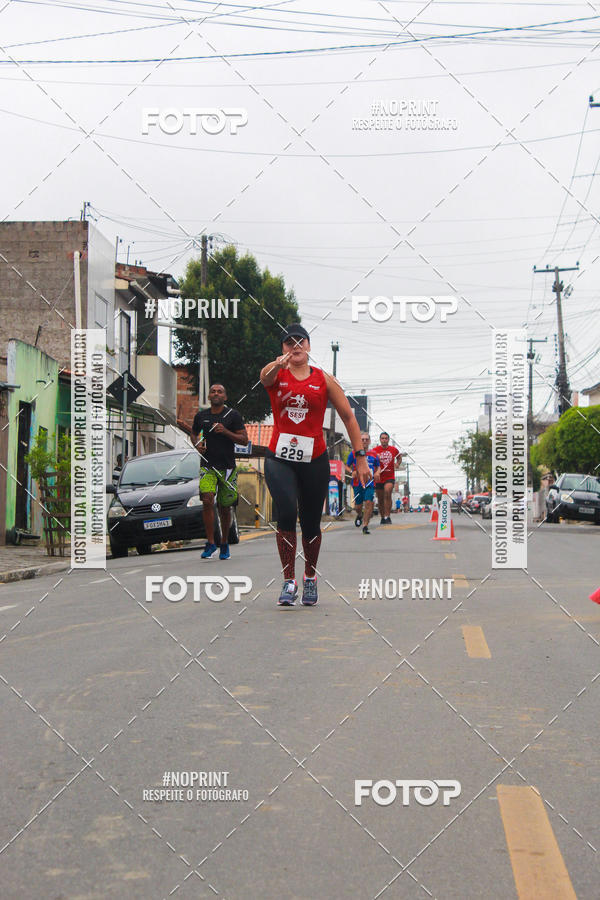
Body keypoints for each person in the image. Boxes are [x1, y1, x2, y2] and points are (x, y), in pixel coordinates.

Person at [260, 324, 370, 607]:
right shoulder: (277, 374)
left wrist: (359, 457)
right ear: (283, 348)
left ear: (309, 346)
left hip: (314, 458)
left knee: (310, 522)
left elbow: (348, 417)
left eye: (300, 341)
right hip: (279, 457)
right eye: (289, 343)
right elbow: (264, 377)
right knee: (285, 511)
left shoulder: (324, 380)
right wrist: (276, 364)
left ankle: (309, 576)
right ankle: (288, 581)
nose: (295, 346)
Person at [191, 383, 248, 560]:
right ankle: (210, 543)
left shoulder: (233, 416)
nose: (216, 394)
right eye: (213, 391)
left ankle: (224, 542)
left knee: (225, 507)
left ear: (225, 397)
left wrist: (225, 432)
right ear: (209, 396)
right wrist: (197, 444)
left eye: (220, 392)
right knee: (207, 500)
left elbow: (244, 440)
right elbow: (194, 433)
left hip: (227, 467)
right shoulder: (201, 416)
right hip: (207, 466)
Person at [346, 433, 381, 536]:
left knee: (369, 503)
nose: (364, 441)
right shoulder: (353, 453)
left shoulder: (374, 454)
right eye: (362, 439)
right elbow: (346, 466)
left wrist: (377, 472)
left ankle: (365, 526)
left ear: (369, 441)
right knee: (358, 506)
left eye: (366, 439)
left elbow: (378, 466)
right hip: (357, 483)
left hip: (370, 483)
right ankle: (360, 515)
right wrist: (351, 471)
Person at [372, 432, 402, 524]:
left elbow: (399, 457)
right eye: (382, 438)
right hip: (379, 477)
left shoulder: (393, 449)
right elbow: (370, 461)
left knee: (387, 492)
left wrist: (397, 464)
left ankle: (387, 516)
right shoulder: (375, 450)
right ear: (380, 440)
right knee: (380, 498)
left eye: (386, 438)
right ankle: (382, 517)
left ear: (388, 440)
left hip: (389, 476)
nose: (384, 440)